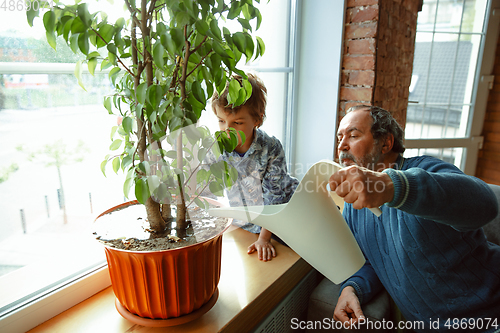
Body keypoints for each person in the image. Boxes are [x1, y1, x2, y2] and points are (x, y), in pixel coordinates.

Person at [329, 105, 500, 332]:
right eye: (340, 137)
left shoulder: (425, 168)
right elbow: (374, 259)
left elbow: (485, 204)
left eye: (353, 135)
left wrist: (392, 188)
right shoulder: (353, 206)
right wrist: (352, 288)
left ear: (386, 143)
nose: (342, 146)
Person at [207, 72, 298, 261]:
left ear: (257, 120)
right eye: (221, 121)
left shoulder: (271, 147)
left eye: (237, 123)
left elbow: (275, 198)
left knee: (305, 245)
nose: (227, 130)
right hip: (248, 223)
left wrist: (265, 239)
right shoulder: (217, 148)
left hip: (286, 211)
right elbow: (208, 191)